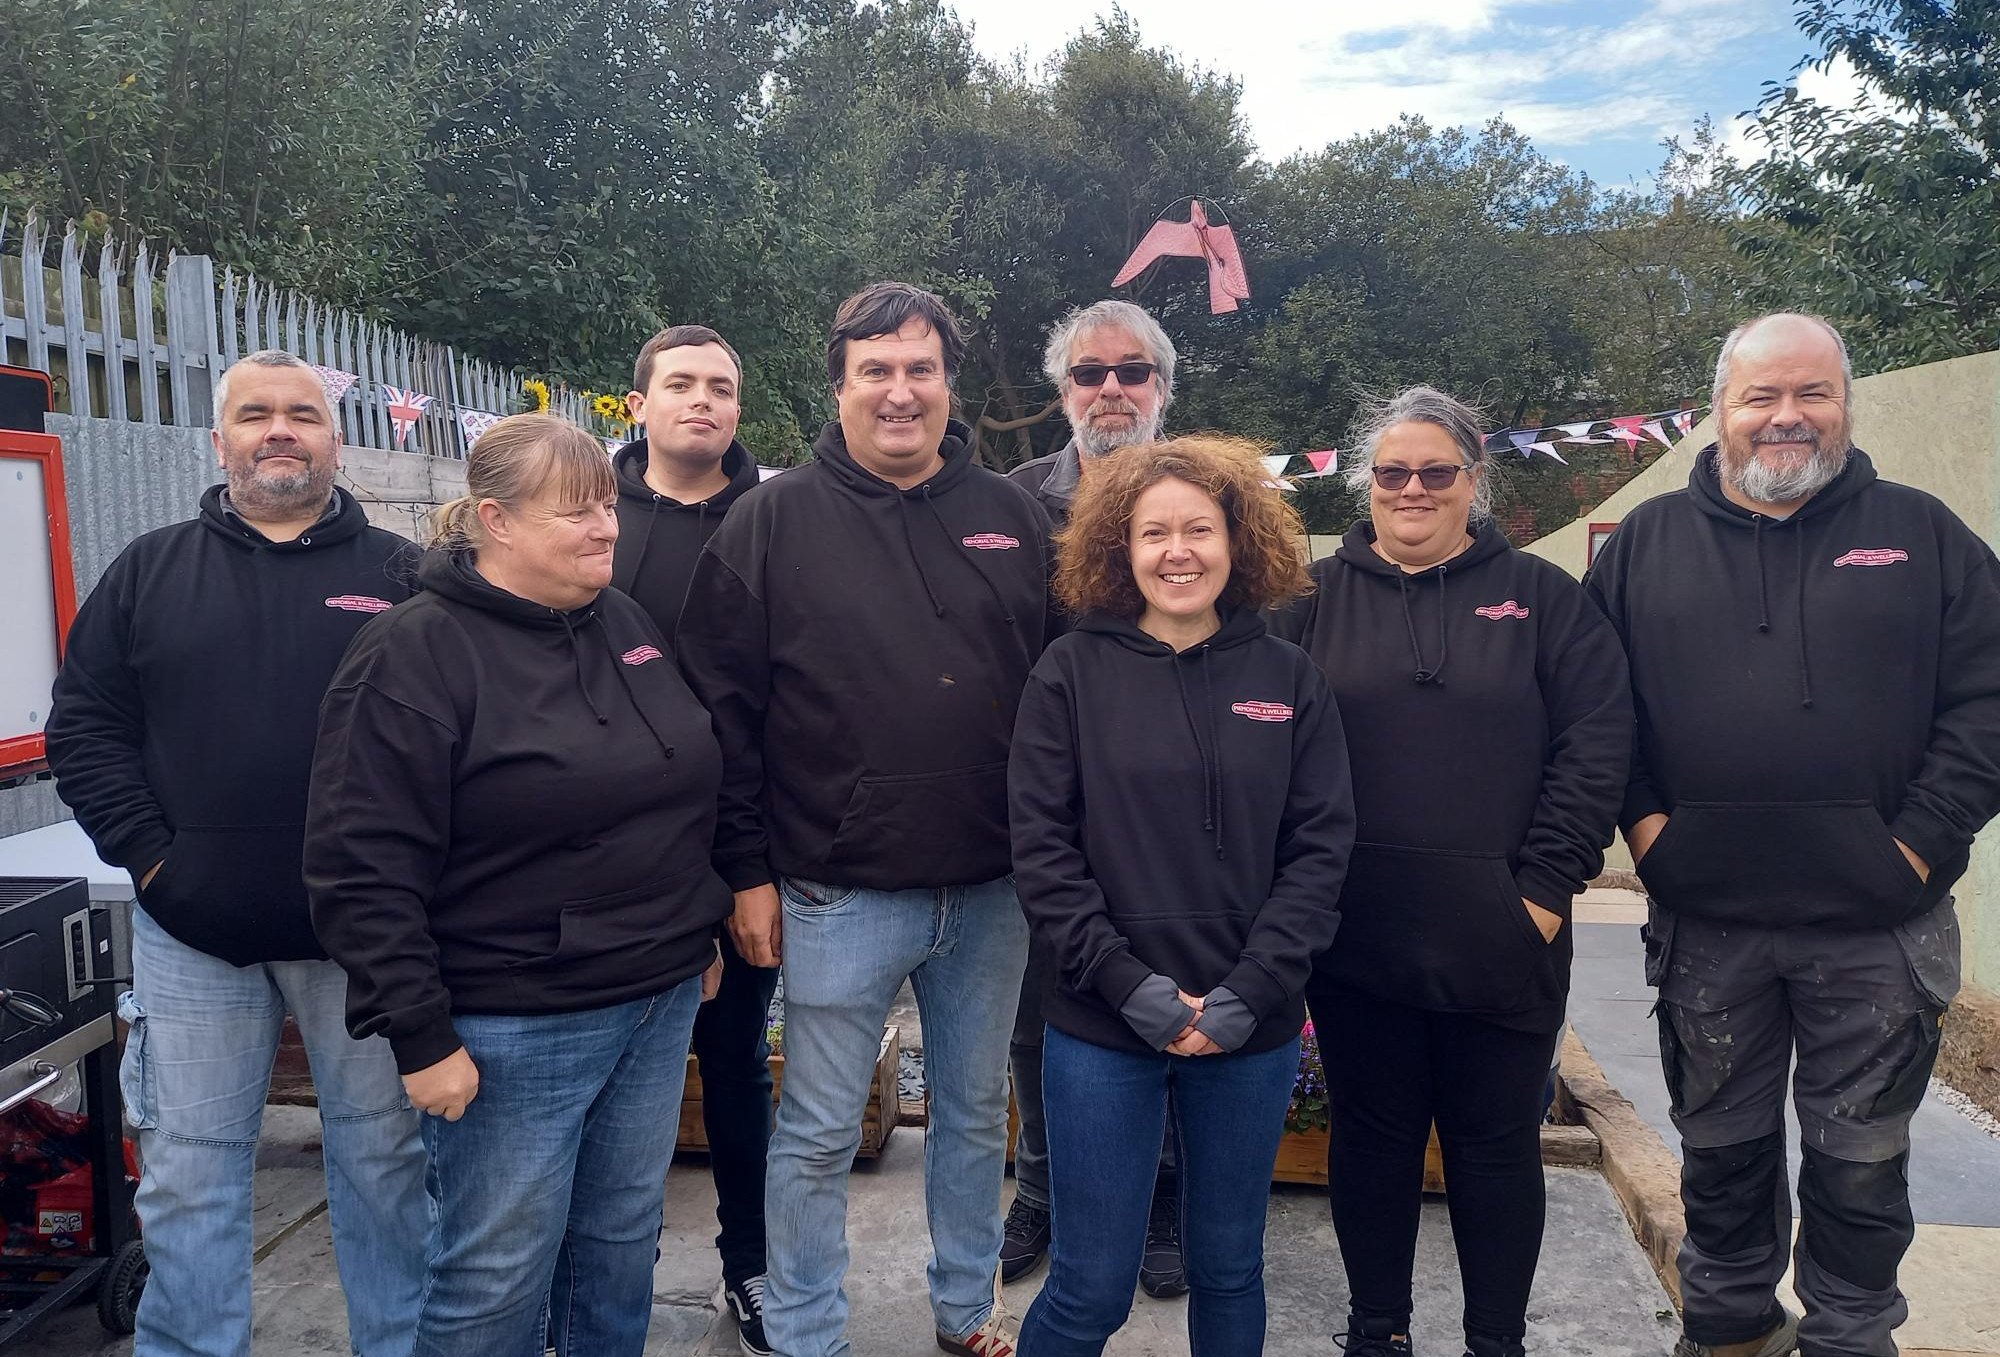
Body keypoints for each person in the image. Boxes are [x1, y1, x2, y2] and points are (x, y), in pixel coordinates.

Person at [1585, 314, 2000, 1357]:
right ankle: (1726, 1325)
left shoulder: (1924, 536)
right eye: (1758, 396)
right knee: (1716, 1146)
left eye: (1809, 393)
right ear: (1715, 411)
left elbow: (1985, 704)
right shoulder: (1640, 548)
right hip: (1706, 920)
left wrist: (1913, 842)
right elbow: (1596, 714)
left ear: (1844, 404)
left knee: (1860, 1159)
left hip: (1878, 924)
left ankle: (1850, 1334)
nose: (1783, 417)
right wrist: (1647, 832)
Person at [678, 281, 1054, 1357]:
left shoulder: (1012, 518)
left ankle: (963, 1308)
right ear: (838, 387)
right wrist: (743, 873)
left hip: (992, 887)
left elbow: (1061, 694)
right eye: (875, 371)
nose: (900, 392)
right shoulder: (769, 520)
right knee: (813, 1126)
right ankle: (802, 1328)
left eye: (919, 368)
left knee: (976, 1116)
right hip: (833, 886)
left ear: (948, 384)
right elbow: (722, 715)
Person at [304, 413, 731, 1357]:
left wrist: (689, 930)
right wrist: (419, 1033)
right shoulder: (415, 653)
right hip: (518, 1021)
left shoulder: (620, 620)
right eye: (572, 512)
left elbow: (679, 783)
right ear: (493, 519)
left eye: (608, 505)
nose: (605, 528)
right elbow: (358, 861)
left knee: (618, 1249)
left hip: (652, 997)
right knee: (494, 1275)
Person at [42, 349, 430, 1357]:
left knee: (386, 1163)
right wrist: (154, 861)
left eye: (302, 413)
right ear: (220, 440)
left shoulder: (400, 575)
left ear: (335, 438)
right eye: (255, 413)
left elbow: (452, 737)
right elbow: (83, 729)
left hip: (364, 939)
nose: (280, 430)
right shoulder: (148, 570)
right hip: (192, 933)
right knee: (189, 1167)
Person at [1278, 386, 1631, 1357]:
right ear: (1366, 483)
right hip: (1355, 938)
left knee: (1492, 1147)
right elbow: (1259, 744)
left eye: (1437, 471)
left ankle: (1493, 1339)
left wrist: (1540, 897)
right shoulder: (1305, 601)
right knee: (1373, 1141)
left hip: (1505, 937)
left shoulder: (1543, 598)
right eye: (1392, 472)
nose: (1413, 488)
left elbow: (1594, 745)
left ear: (1472, 481)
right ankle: (1374, 1330)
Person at [1008, 437, 1354, 1355]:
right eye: (1153, 531)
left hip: (1252, 1027)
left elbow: (1320, 850)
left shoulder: (1290, 679)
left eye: (1199, 528)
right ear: (1119, 549)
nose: (1178, 551)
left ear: (1238, 541)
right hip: (1101, 1024)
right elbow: (1043, 854)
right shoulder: (1068, 677)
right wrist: (1132, 987)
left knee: (1230, 1269)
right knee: (1090, 1286)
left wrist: (1248, 992)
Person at [999, 299, 1189, 1295]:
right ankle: (1038, 1185)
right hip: (1054, 818)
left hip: (1179, 822)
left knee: (1169, 1009)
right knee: (1039, 1019)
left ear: (1160, 386)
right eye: (1088, 373)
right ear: (1061, 390)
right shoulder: (1014, 503)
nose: (1109, 388)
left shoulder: (1210, 493)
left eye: (1130, 371)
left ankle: (1163, 1190)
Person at [612, 323, 776, 1355]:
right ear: (637, 404)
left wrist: (751, 864)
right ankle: (591, 1286)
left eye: (720, 386)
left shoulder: (775, 517)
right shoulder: (585, 510)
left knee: (734, 1063)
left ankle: (749, 1266)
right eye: (679, 383)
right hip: (602, 845)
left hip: (738, 836)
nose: (701, 401)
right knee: (604, 1072)